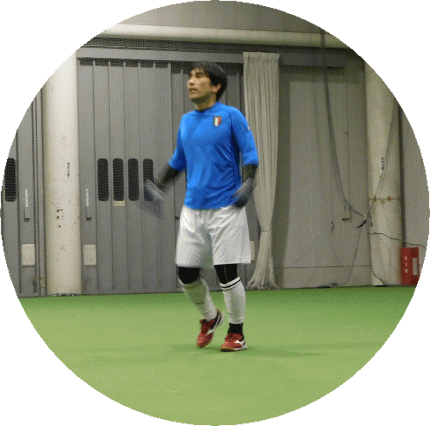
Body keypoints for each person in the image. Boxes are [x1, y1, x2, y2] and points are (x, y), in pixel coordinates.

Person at [145, 61, 258, 351]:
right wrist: (158, 185)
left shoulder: (231, 116)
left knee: (226, 274)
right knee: (186, 275)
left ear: (216, 86)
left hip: (226, 208)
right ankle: (210, 316)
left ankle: (236, 333)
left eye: (198, 77)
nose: (191, 82)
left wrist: (248, 183)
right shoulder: (186, 121)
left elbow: (249, 154)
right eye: (190, 77)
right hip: (192, 209)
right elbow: (178, 161)